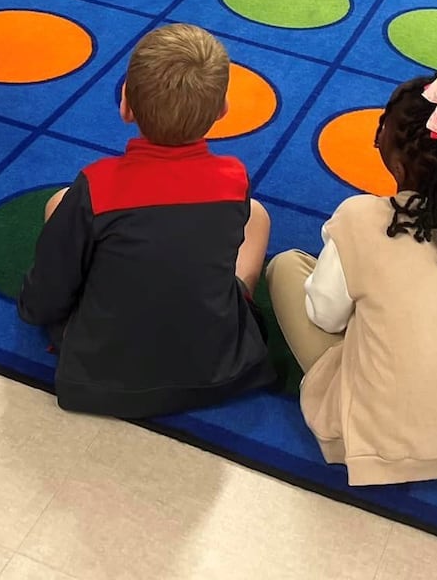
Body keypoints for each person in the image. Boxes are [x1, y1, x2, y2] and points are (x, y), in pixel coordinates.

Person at [265, 75, 437, 485]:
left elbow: (326, 316)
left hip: (368, 441)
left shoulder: (359, 218)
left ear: (396, 163)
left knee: (285, 266)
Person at [18, 25, 274, 418]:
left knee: (58, 204)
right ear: (222, 111)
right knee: (257, 215)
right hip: (218, 366)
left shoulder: (98, 185)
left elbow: (48, 291)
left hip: (100, 375)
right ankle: (240, 299)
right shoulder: (233, 178)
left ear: (125, 106)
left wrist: (37, 311)